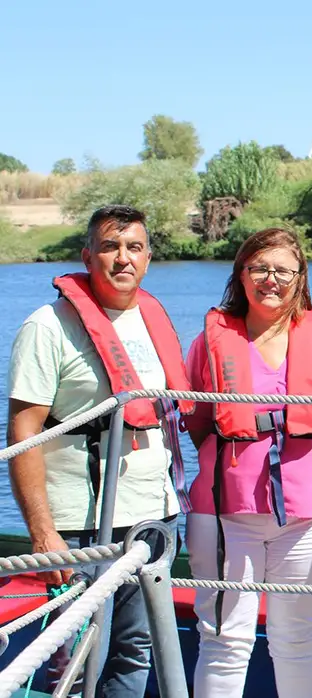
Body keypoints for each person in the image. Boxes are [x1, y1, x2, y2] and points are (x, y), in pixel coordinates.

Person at [5, 204, 191, 697]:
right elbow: (24, 431)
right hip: (81, 526)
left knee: (136, 650)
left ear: (149, 257)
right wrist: (44, 534)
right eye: (110, 247)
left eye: (134, 247)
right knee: (78, 662)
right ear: (88, 256)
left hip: (152, 519)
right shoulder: (47, 326)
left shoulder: (152, 319)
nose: (123, 258)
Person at [182, 227, 312, 696]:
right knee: (224, 640)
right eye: (259, 268)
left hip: (307, 516)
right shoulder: (209, 343)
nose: (270, 279)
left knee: (298, 639)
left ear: (300, 278)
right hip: (224, 515)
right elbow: (196, 424)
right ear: (241, 274)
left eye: (282, 270)